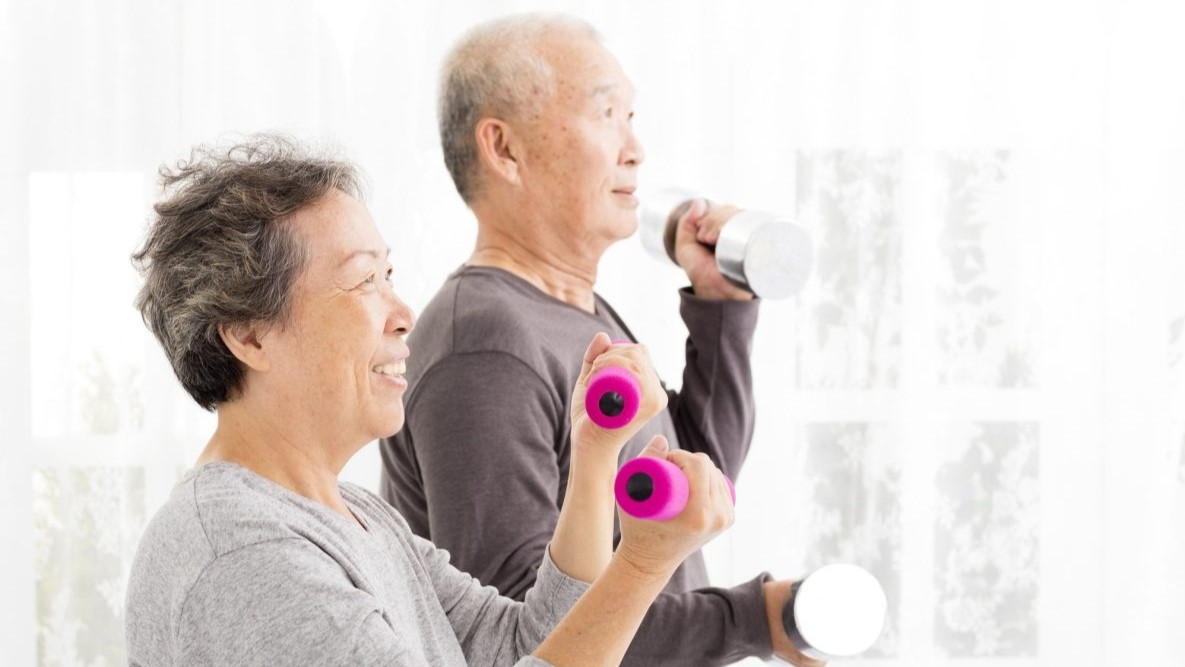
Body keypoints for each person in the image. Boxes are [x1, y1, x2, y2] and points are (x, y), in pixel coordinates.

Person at [124, 135, 736, 666]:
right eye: (363, 280)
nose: (403, 314)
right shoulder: (246, 554)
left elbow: (521, 646)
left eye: (387, 276)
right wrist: (642, 566)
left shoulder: (358, 517)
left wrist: (594, 454)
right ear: (250, 335)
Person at [379, 13, 822, 667]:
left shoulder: (571, 311)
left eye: (632, 117)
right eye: (606, 114)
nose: (635, 149)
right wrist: (757, 618)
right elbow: (527, 639)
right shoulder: (484, 343)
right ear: (503, 149)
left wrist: (720, 306)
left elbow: (696, 483)